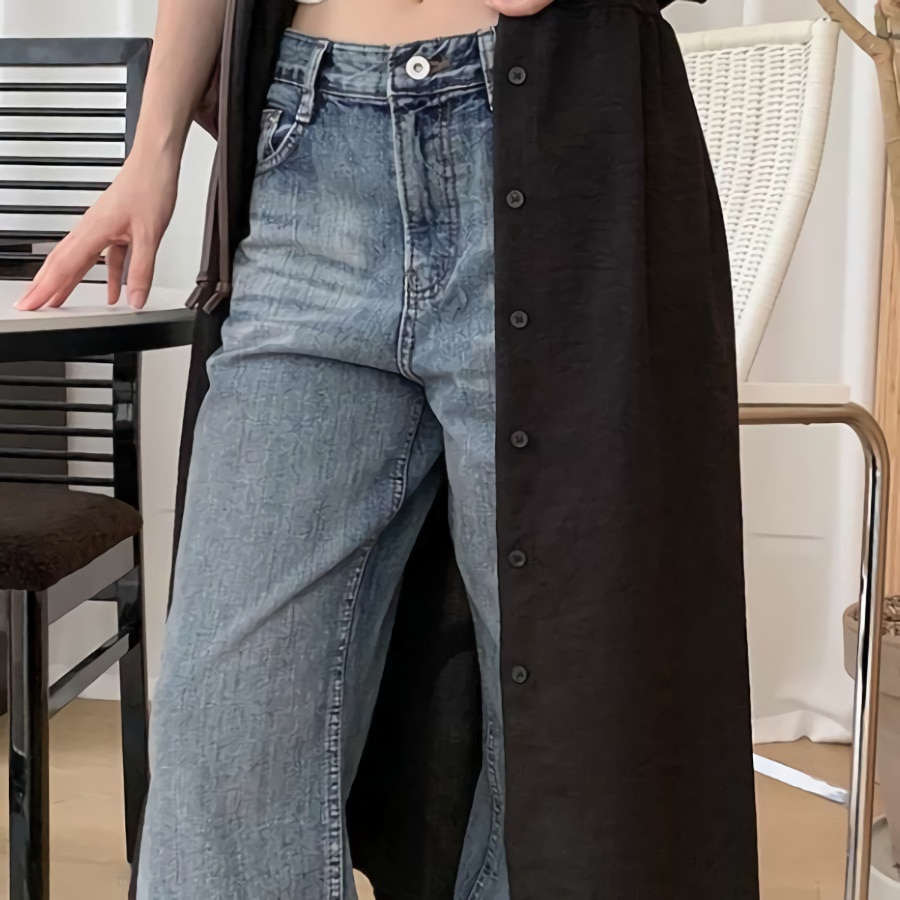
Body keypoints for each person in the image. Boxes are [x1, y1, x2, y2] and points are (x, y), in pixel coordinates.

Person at [20, 1, 762, 898]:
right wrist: (154, 148)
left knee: (571, 714)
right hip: (312, 155)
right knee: (225, 725)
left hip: (557, 161)